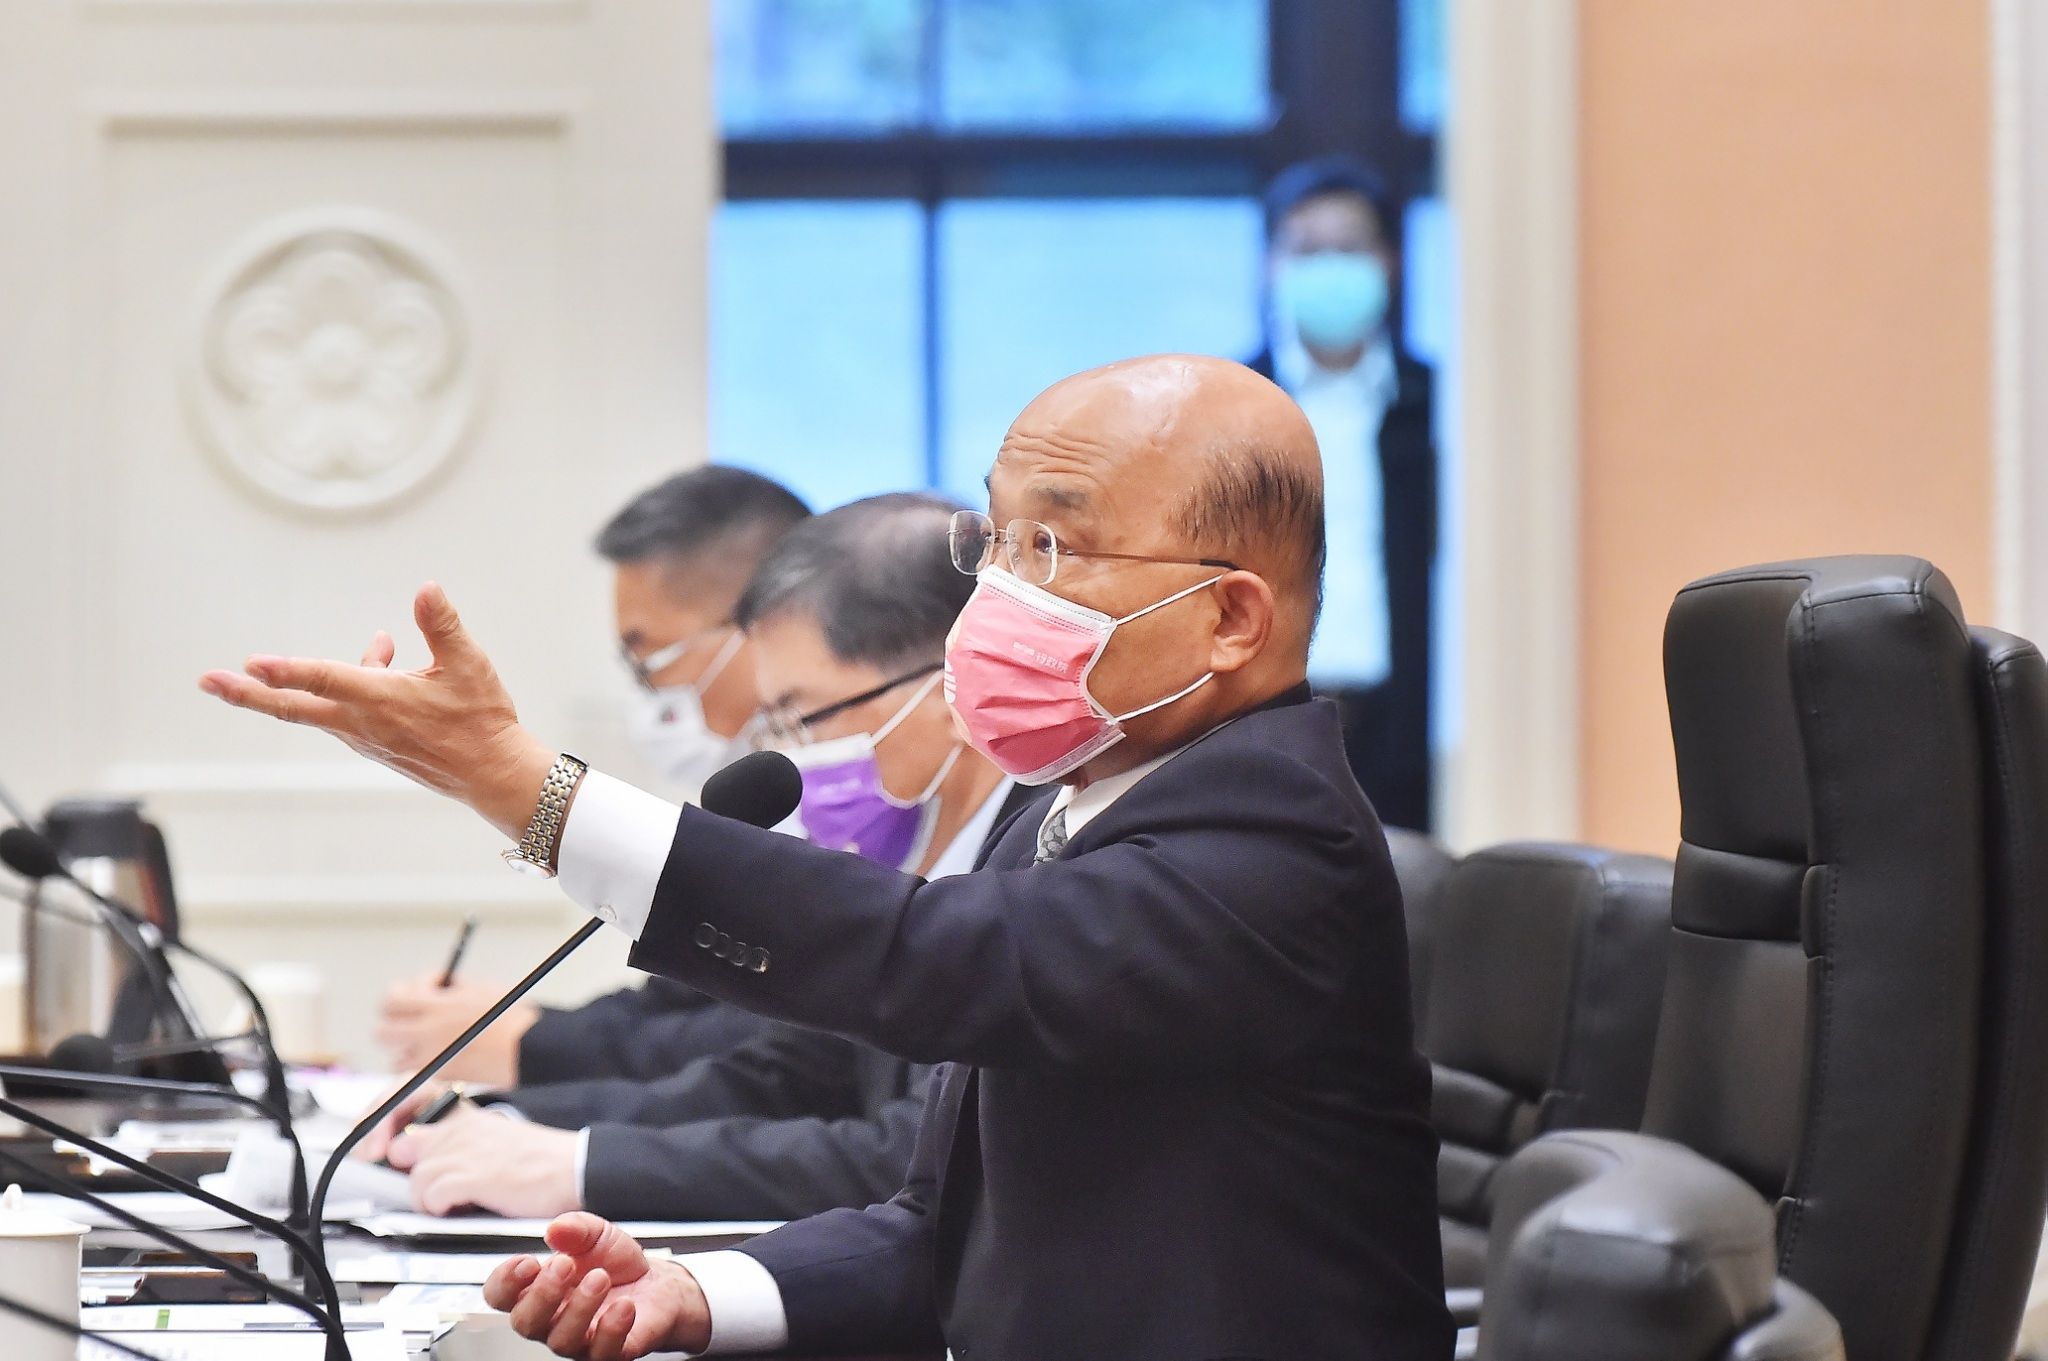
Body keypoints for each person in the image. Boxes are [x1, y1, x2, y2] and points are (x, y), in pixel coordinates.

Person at [199, 354, 1451, 1359]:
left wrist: (529, 792)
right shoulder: (1075, 810)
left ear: (1228, 617)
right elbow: (942, 1220)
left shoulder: (1273, 835)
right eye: (996, 541)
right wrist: (695, 1291)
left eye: (1052, 550)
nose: (998, 595)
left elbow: (920, 956)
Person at [360, 494, 1035, 1223]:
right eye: (774, 721)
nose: (792, 753)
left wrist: (579, 1167)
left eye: (803, 715)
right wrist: (511, 1121)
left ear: (953, 685)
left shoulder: (1038, 866)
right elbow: (789, 1075)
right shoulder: (908, 840)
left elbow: (914, 1156)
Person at [376, 467, 810, 1087]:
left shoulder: (853, 796)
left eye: (649, 659)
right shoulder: (760, 794)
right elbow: (686, 999)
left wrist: (532, 1045)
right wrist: (520, 1026)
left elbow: (789, 1048)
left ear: (763, 625)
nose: (647, 693)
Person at [1250, 155, 1438, 833]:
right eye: (1308, 251)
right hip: (1266, 720)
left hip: (1410, 722)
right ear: (1272, 264)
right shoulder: (1230, 402)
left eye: (1349, 249)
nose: (1329, 269)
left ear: (1388, 262)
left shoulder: (1438, 402)